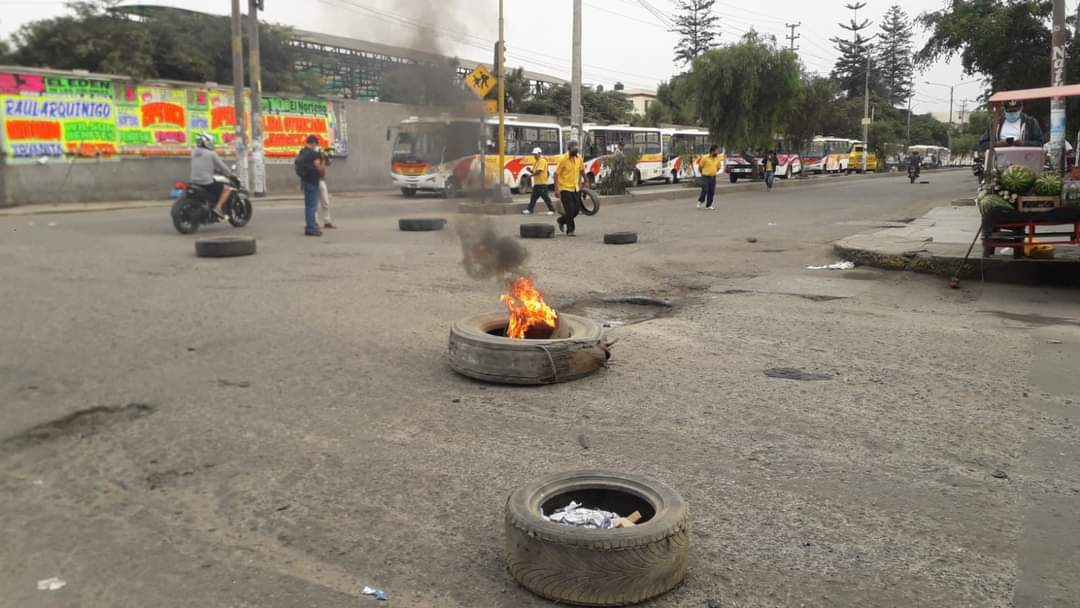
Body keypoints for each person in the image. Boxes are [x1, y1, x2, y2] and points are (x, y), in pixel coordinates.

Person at [190, 133, 232, 220]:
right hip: (205, 182)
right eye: (211, 142)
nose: (212, 143)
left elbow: (204, 164)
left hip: (193, 181)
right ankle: (218, 208)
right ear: (207, 142)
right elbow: (222, 167)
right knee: (227, 189)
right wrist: (229, 174)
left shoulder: (193, 152)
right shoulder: (211, 153)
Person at [980, 100, 1044, 150]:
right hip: (1000, 159)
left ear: (1021, 108)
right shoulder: (995, 123)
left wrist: (1024, 143)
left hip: (1025, 158)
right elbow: (983, 144)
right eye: (1009, 111)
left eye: (1015, 111)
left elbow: (1040, 143)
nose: (1012, 113)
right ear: (1004, 109)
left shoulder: (1030, 122)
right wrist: (997, 144)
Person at [295, 135, 325, 237]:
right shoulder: (313, 154)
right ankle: (311, 228)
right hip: (313, 181)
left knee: (308, 206)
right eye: (315, 145)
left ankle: (309, 227)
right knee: (312, 207)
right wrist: (323, 161)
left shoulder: (302, 152)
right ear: (313, 143)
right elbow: (319, 168)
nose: (315, 147)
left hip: (305, 181)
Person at [555, 140, 586, 237]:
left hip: (575, 188)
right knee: (570, 210)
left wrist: (586, 180)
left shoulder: (579, 159)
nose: (576, 150)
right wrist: (557, 189)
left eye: (577, 148)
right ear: (569, 149)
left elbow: (582, 170)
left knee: (576, 210)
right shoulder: (563, 159)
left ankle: (561, 220)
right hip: (565, 188)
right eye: (574, 148)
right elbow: (556, 174)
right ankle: (570, 230)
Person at [522, 147, 555, 216]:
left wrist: (531, 175)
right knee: (533, 198)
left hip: (542, 183)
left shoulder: (542, 161)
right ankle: (530, 209)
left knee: (546, 198)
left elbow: (539, 171)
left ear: (540, 154)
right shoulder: (536, 162)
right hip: (537, 183)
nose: (534, 155)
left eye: (535, 154)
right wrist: (529, 170)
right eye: (533, 154)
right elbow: (534, 171)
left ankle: (552, 210)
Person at [316, 146, 336, 229]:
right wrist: (323, 159)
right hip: (315, 181)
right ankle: (315, 223)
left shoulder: (322, 157)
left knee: (325, 202)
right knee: (315, 204)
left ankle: (327, 221)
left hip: (322, 181)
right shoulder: (315, 158)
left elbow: (329, 163)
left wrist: (327, 156)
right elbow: (320, 169)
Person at [697, 145, 722, 210]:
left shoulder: (717, 158)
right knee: (705, 189)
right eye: (717, 151)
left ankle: (709, 205)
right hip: (705, 176)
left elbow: (718, 167)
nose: (718, 152)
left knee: (712, 191)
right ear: (712, 151)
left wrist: (713, 172)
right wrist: (702, 173)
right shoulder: (705, 158)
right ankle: (701, 201)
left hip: (713, 177)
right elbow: (700, 167)